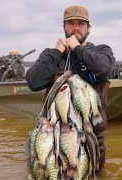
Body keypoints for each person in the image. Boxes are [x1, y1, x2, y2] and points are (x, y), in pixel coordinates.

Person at [25, 5, 115, 174]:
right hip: (53, 140)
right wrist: (57, 52)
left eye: (81, 23)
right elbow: (33, 82)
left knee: (94, 175)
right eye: (70, 23)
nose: (76, 27)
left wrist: (77, 49)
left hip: (91, 138)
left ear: (89, 27)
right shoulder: (51, 55)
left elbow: (103, 68)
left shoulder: (102, 51)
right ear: (64, 27)